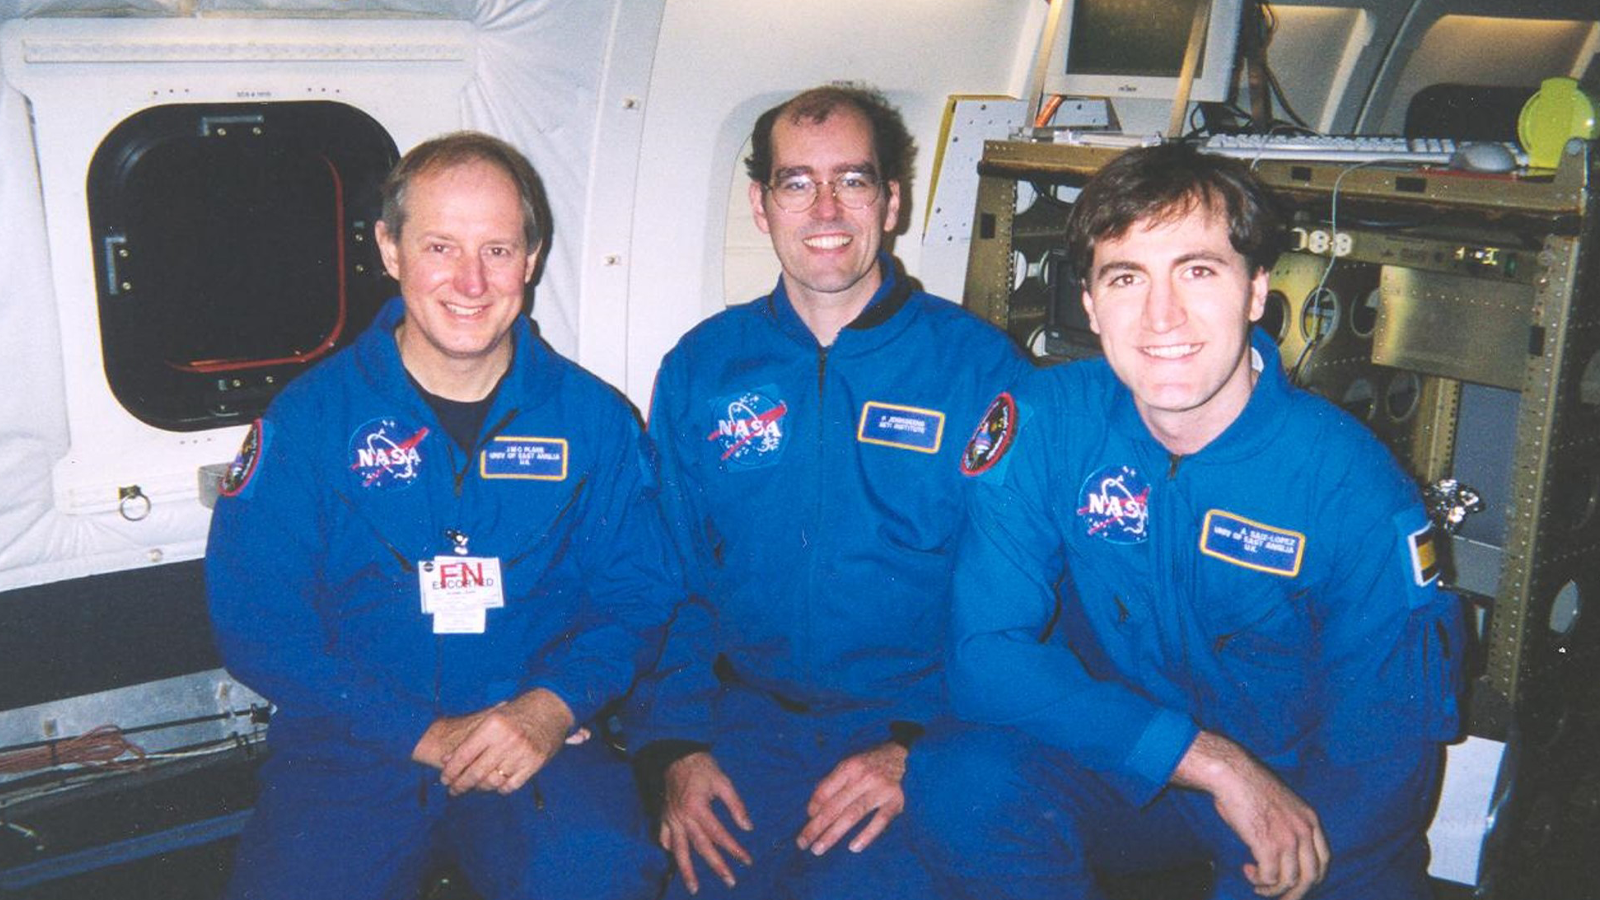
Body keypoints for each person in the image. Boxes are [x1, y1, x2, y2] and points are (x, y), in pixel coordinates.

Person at [911, 143, 1464, 900]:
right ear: (1089, 304)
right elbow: (986, 656)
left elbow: (1384, 750)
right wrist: (1206, 761)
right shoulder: (1048, 426)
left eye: (1198, 271)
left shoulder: (1349, 487)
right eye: (1127, 277)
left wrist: (1270, 828)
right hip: (1141, 762)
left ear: (1256, 291)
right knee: (958, 780)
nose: (1161, 315)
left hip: (1313, 797)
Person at [206, 131, 677, 900]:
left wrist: (554, 706)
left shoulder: (594, 423)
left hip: (532, 742)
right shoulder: (310, 423)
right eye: (440, 247)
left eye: (497, 249)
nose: (470, 280)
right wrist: (420, 733)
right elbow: (258, 625)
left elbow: (637, 598)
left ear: (531, 258)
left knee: (599, 874)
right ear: (389, 249)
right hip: (355, 748)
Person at [629, 84, 1029, 898]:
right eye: (796, 182)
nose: (826, 208)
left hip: (915, 727)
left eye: (852, 180)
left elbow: (1018, 603)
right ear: (760, 203)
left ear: (891, 202)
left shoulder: (979, 372)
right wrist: (673, 749)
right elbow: (666, 578)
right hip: (744, 729)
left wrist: (923, 748)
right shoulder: (703, 369)